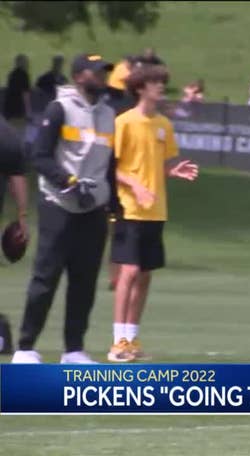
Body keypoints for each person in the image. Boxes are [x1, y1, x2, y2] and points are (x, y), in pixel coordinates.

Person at [12, 54, 117, 364]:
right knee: (46, 278)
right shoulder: (60, 108)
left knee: (84, 282)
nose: (102, 78)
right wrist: (67, 182)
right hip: (58, 204)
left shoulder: (110, 114)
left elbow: (108, 166)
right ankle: (26, 347)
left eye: (104, 73)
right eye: (96, 72)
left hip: (93, 209)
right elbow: (40, 156)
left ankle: (73, 350)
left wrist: (111, 204)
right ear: (79, 76)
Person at [108, 64, 198, 362]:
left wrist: (173, 171)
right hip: (130, 208)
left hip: (156, 210)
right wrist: (135, 186)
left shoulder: (164, 125)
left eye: (162, 82)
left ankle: (131, 340)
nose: (161, 87)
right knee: (129, 271)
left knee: (145, 275)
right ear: (140, 88)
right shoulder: (123, 122)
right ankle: (117, 341)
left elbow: (156, 167)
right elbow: (113, 168)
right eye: (155, 83)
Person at [0, 117, 29, 355]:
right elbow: (17, 176)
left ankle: (1, 335)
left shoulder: (5, 134)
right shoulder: (7, 132)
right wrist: (22, 217)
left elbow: (16, 176)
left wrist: (22, 217)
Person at [3, 54, 32, 124]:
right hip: (19, 112)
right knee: (20, 133)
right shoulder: (24, 75)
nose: (28, 64)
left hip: (9, 111)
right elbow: (25, 95)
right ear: (21, 63)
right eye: (26, 62)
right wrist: (28, 113)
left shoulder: (11, 74)